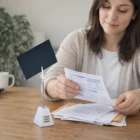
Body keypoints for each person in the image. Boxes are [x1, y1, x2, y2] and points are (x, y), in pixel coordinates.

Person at [45, 0, 140, 115]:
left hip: (128, 128)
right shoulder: (76, 40)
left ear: (134, 14)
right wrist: (57, 88)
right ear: (97, 8)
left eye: (122, 10)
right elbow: (50, 79)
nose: (112, 16)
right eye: (106, 7)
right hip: (80, 126)